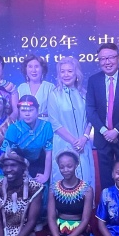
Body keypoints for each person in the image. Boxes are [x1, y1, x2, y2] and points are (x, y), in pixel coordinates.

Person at [85, 43, 119, 192]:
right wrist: (105, 131)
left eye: (110, 57)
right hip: (102, 138)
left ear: (118, 58)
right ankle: (108, 206)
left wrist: (116, 131)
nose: (107, 62)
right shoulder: (93, 80)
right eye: (103, 59)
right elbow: (90, 109)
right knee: (106, 179)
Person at [47, 56, 95, 190]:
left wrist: (84, 138)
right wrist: (74, 141)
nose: (66, 75)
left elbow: (90, 118)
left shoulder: (84, 94)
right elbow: (55, 123)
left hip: (83, 144)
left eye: (69, 71)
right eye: (62, 71)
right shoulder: (54, 95)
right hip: (63, 143)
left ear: (76, 73)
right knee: (63, 183)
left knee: (85, 180)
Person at [1, 96, 53, 186]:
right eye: (23, 111)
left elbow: (49, 153)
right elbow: (6, 154)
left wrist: (46, 176)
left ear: (37, 110)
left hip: (39, 164)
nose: (27, 114)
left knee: (43, 186)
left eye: (31, 110)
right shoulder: (13, 128)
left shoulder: (46, 126)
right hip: (18, 165)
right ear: (19, 111)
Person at [17, 55, 56, 121]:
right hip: (24, 125)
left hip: (45, 124)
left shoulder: (50, 87)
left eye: (37, 66)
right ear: (25, 69)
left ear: (42, 69)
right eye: (30, 67)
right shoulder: (21, 88)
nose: (33, 70)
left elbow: (55, 112)